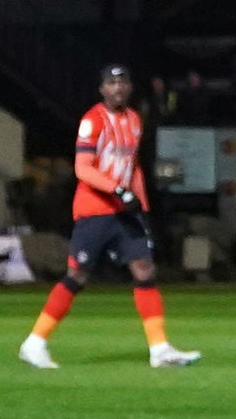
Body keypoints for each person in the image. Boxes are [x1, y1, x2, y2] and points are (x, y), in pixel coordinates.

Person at [21, 64, 199, 370]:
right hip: (94, 211)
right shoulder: (93, 121)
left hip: (123, 211)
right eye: (111, 83)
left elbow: (134, 167)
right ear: (102, 89)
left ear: (129, 88)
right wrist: (118, 190)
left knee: (144, 270)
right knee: (78, 275)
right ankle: (34, 343)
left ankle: (159, 348)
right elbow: (83, 168)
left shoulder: (133, 120)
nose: (117, 88)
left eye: (122, 82)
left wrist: (142, 209)